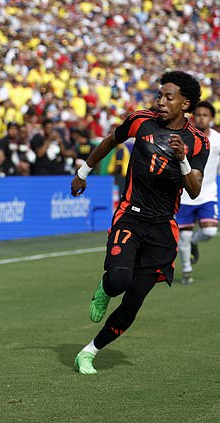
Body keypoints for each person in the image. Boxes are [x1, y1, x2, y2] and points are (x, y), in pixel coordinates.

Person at [70, 71, 209, 375]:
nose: (160, 101)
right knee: (119, 282)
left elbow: (194, 189)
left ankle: (88, 352)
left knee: (133, 303)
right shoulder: (140, 120)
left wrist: (182, 158)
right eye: (159, 95)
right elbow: (110, 141)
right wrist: (83, 172)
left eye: (168, 97)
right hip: (130, 216)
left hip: (162, 229)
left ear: (185, 103)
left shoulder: (198, 142)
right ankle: (105, 289)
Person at [175, 101, 220, 284]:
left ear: (211, 118)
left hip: (207, 194)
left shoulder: (217, 139)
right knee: (183, 236)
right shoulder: (185, 136)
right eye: (198, 115)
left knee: (209, 231)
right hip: (185, 195)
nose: (201, 118)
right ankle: (186, 270)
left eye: (205, 115)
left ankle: (195, 241)